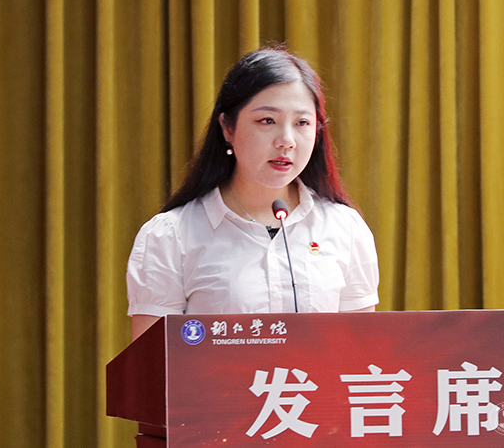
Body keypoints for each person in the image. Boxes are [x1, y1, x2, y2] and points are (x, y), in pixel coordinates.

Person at [127, 48, 379, 340]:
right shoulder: (171, 236)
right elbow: (152, 362)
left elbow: (361, 349)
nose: (286, 141)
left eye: (302, 123)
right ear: (227, 128)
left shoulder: (344, 228)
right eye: (267, 121)